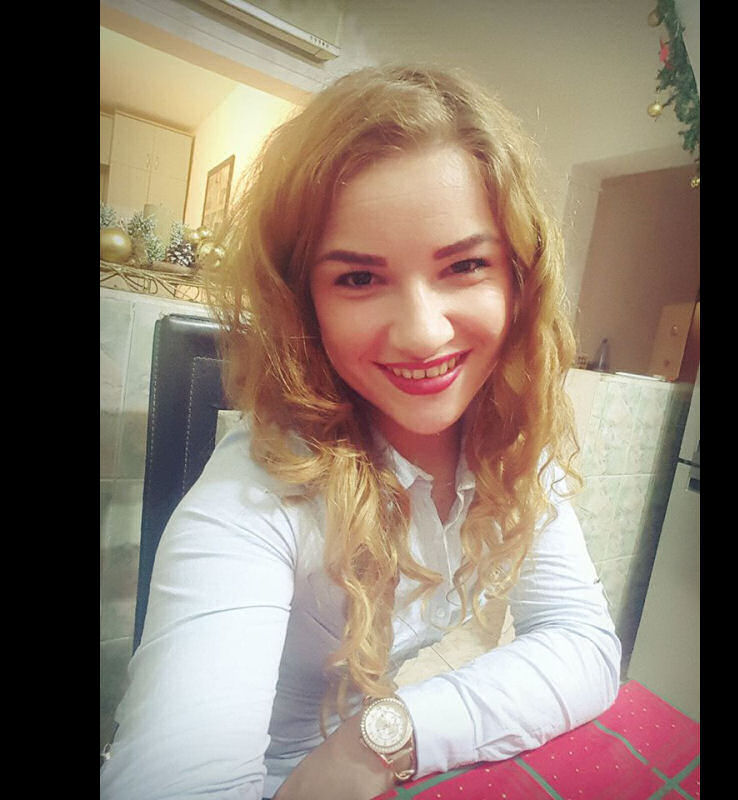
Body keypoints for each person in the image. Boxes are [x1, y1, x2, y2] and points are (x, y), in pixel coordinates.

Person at [100, 64, 621, 800]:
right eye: (358, 278)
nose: (422, 333)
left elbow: (584, 641)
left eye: (464, 265)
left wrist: (383, 737)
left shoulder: (511, 447)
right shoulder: (255, 496)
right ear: (303, 301)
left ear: (518, 279)